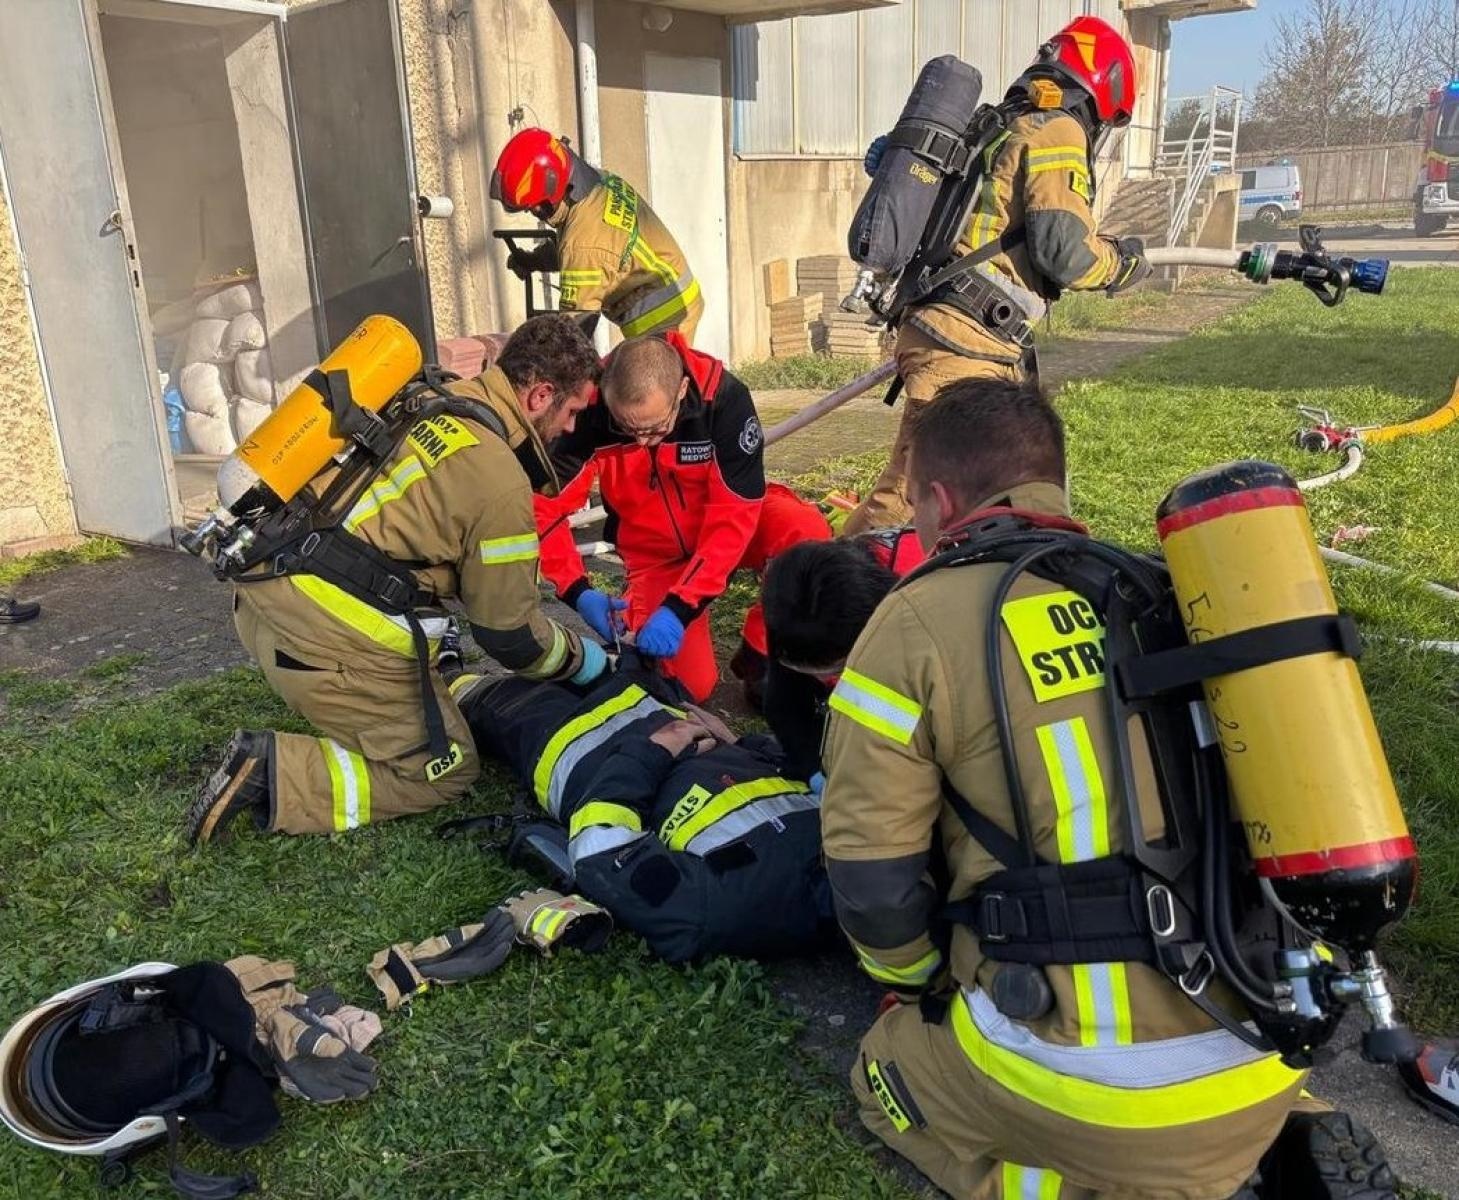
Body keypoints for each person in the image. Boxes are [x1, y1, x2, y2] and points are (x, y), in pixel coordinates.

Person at [819, 379, 1393, 1198]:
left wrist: (912, 984)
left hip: (1087, 1084)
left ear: (938, 503)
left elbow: (871, 880)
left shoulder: (915, 625)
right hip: (1271, 1033)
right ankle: (1265, 1137)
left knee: (884, 1078)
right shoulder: (1164, 593)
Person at [187, 315, 611, 845]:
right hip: (325, 644)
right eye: (572, 411)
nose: (571, 428)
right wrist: (589, 661)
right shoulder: (500, 480)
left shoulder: (430, 395)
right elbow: (511, 636)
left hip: (263, 605)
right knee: (445, 767)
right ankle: (275, 772)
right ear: (540, 394)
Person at [841, 15, 1150, 536]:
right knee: (908, 503)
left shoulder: (1002, 122)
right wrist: (1122, 264)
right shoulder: (1059, 128)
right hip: (963, 343)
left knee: (978, 493)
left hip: (963, 336)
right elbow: (1065, 252)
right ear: (1104, 87)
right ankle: (827, 603)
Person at [455, 661, 836, 963]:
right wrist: (740, 742)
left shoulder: (726, 906)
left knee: (479, 694)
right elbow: (799, 766)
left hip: (579, 745)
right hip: (657, 709)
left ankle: (443, 668)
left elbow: (601, 847)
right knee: (559, 655)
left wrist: (652, 752)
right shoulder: (844, 827)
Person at [535, 333, 831, 704]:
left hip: (732, 526)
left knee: (804, 532)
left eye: (656, 428)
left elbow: (735, 513)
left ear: (682, 390)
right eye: (628, 430)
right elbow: (543, 509)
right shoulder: (587, 411)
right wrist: (576, 591)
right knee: (689, 689)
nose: (642, 443)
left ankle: (762, 652)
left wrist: (681, 606)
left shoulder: (722, 399)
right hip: (656, 554)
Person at [492, 128, 701, 342]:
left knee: (642, 374)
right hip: (676, 294)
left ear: (549, 195)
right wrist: (535, 259)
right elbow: (591, 250)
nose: (534, 213)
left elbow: (573, 335)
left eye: (532, 208)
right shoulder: (599, 183)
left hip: (665, 320)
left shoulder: (582, 244)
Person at [760, 528, 923, 782]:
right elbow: (782, 703)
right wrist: (814, 772)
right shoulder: (794, 599)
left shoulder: (920, 606)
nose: (826, 680)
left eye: (835, 670)